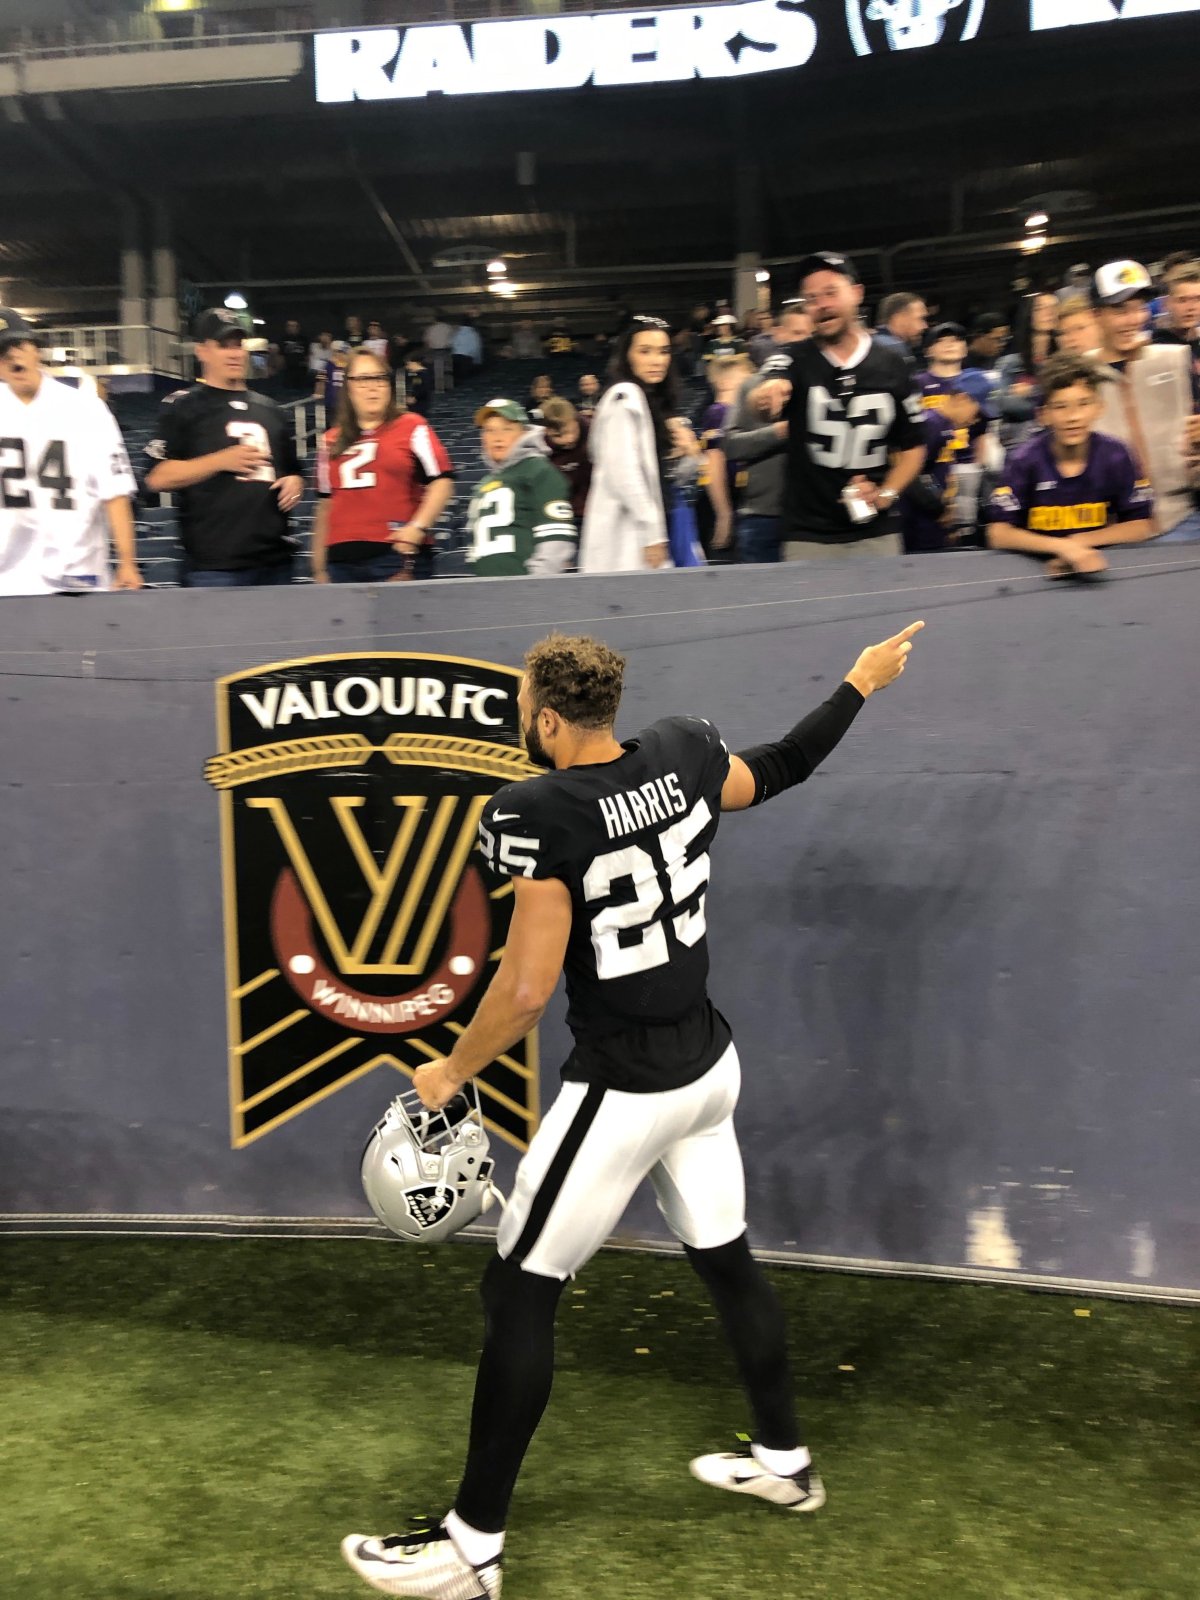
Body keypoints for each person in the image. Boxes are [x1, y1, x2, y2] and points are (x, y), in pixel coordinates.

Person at [339, 620, 925, 1600]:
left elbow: (525, 991)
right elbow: (782, 764)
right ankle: (786, 1460)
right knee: (727, 1258)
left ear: (546, 717)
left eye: (524, 710)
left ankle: (469, 1549)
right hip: (708, 1065)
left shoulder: (538, 810)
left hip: (623, 1090)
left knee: (519, 1290)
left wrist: (449, 1069)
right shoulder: (687, 749)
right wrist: (859, 683)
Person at [752, 252, 925, 559]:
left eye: (831, 292)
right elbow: (769, 386)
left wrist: (885, 495)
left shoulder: (895, 365)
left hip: (876, 531)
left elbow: (913, 448)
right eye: (811, 298)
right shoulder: (793, 357)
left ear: (857, 293)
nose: (822, 304)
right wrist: (769, 393)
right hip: (808, 534)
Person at [144, 307, 303, 587]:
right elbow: (156, 477)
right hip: (215, 567)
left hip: (275, 563)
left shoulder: (272, 410)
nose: (234, 353)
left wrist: (295, 482)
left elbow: (292, 471)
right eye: (223, 345)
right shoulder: (183, 406)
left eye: (238, 345)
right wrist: (219, 461)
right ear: (202, 351)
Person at [0, 307, 141, 595]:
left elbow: (114, 492)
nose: (12, 356)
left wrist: (128, 562)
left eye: (18, 346)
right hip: (8, 580)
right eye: (3, 352)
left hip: (78, 576)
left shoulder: (85, 408)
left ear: (35, 351)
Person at [986, 353, 1153, 576]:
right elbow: (998, 533)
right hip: (1038, 571)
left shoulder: (1116, 455)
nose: (1072, 417)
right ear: (1043, 415)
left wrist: (1080, 542)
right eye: (1060, 407)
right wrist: (1061, 547)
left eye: (1083, 404)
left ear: (1099, 408)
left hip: (1100, 567)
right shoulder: (1024, 460)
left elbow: (1141, 525)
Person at [312, 348, 455, 584]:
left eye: (379, 378)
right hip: (339, 562)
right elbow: (325, 505)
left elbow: (442, 481)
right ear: (347, 387)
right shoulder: (329, 441)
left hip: (395, 555)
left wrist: (418, 528)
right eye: (362, 379)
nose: (372, 386)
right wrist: (318, 569)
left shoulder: (412, 426)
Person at [1087, 259, 1200, 542]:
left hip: (1183, 518)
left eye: (1138, 308)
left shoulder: (1175, 359)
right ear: (1096, 314)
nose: (1133, 319)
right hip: (1112, 531)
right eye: (1120, 310)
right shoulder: (1079, 375)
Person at [580, 315, 703, 573]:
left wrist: (689, 456)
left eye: (663, 351)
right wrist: (652, 532)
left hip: (664, 519)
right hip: (630, 534)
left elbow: (668, 479)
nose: (657, 360)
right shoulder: (624, 395)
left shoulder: (655, 403)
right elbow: (621, 470)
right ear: (627, 356)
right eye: (645, 351)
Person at [466, 399, 576, 577]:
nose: (497, 437)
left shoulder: (539, 470)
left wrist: (534, 585)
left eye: (507, 428)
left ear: (525, 433)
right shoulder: (484, 483)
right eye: (489, 430)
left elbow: (556, 536)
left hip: (524, 590)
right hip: (485, 591)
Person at [899, 380, 982, 554]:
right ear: (961, 399)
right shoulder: (932, 425)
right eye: (977, 412)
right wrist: (938, 508)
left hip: (931, 517)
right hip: (921, 519)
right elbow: (911, 475)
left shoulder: (943, 425)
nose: (975, 420)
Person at [698, 352, 754, 556]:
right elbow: (714, 464)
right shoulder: (718, 412)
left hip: (734, 501)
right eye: (746, 378)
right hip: (722, 502)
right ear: (725, 382)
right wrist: (724, 514)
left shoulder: (737, 413)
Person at [995, 292, 1059, 448]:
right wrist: (1047, 400)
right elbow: (1004, 403)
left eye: (1053, 308)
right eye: (1040, 308)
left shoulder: (1062, 360)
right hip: (1021, 442)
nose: (1048, 313)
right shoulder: (1010, 363)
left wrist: (1031, 392)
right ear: (1029, 314)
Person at [539, 396, 592, 523]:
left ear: (576, 420)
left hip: (598, 511)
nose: (569, 439)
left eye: (573, 431)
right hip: (562, 515)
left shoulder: (596, 433)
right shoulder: (538, 450)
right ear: (546, 431)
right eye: (558, 435)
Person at [1151, 261, 1200, 370]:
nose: (1191, 307)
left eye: (1197, 299)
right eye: (1182, 300)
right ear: (1166, 303)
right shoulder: (1155, 349)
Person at [873, 291, 928, 373]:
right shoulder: (894, 349)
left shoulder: (874, 344)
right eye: (920, 319)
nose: (925, 326)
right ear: (899, 319)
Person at [279, 319, 311, 391]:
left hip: (301, 367)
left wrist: (306, 363)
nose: (291, 328)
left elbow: (307, 354)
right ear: (286, 328)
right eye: (289, 326)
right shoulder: (282, 339)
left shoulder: (304, 339)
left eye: (293, 326)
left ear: (298, 328)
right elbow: (280, 354)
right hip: (287, 366)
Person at [451, 315, 484, 385]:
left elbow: (453, 344)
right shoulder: (474, 333)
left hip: (455, 357)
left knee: (456, 379)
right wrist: (478, 360)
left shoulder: (456, 333)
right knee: (466, 380)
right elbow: (476, 347)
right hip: (467, 358)